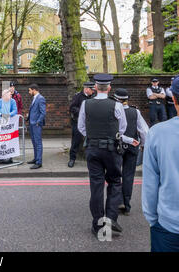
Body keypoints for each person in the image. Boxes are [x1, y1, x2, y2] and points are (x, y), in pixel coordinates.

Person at [77, 74, 127, 239]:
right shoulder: (116, 105)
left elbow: (81, 127)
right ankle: (111, 219)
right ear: (109, 88)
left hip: (92, 149)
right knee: (114, 182)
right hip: (111, 149)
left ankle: (98, 223)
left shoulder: (86, 104)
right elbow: (123, 128)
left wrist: (93, 137)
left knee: (96, 186)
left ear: (95, 87)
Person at [142, 74, 179, 252]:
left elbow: (150, 183)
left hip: (169, 226)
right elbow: (152, 96)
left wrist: (153, 220)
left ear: (174, 98)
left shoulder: (157, 133)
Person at [113, 88, 149, 216]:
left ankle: (118, 202)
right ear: (127, 99)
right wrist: (144, 145)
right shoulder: (135, 112)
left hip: (116, 147)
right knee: (128, 176)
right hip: (132, 147)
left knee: (116, 175)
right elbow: (144, 131)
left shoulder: (113, 111)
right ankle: (126, 205)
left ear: (116, 99)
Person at [68, 82, 95, 167]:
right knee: (76, 141)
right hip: (78, 122)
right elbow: (72, 108)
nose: (93, 91)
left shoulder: (94, 96)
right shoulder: (78, 96)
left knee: (92, 141)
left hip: (90, 123)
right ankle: (72, 159)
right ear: (86, 89)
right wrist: (82, 111)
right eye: (92, 90)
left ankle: (91, 159)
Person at [0, 89, 18, 164]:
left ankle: (9, 157)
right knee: (1, 141)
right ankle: (1, 157)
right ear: (4, 95)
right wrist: (0, 115)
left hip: (9, 126)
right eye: (9, 94)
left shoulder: (12, 101)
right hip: (1, 126)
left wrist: (8, 115)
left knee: (9, 140)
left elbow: (15, 111)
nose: (11, 95)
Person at [26, 84, 46, 169]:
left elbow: (43, 112)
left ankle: (39, 162)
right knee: (34, 142)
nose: (29, 92)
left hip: (36, 124)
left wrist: (38, 122)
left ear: (34, 90)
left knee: (38, 143)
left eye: (30, 90)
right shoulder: (35, 98)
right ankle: (35, 158)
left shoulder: (40, 98)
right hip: (32, 123)